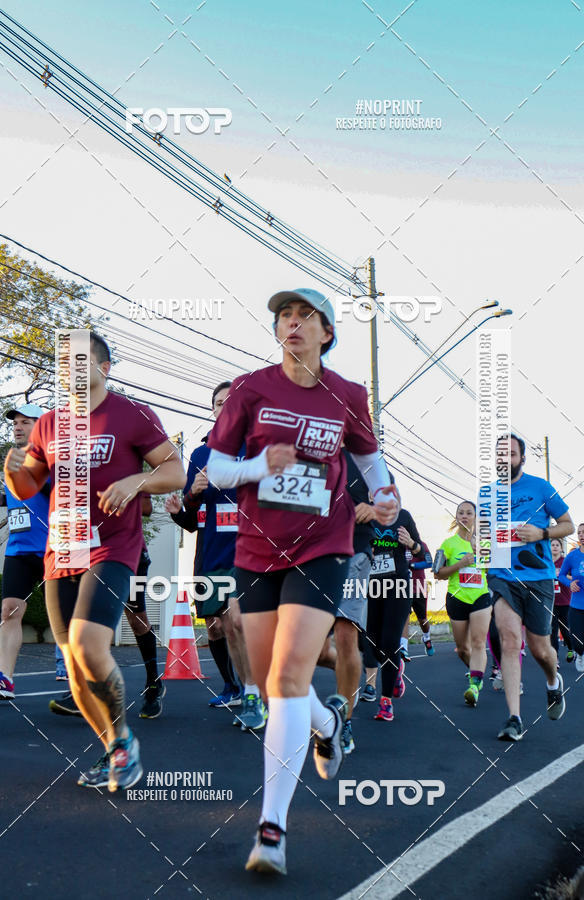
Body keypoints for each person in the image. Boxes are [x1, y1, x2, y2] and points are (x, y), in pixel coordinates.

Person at [206, 288, 398, 875]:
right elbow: (216, 467)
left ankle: (272, 829)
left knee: (289, 676)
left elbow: (368, 460)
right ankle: (328, 721)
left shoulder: (348, 395)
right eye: (283, 316)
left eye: (303, 316)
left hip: (324, 545)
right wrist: (257, 467)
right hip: (257, 548)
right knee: (272, 687)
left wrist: (387, 495)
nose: (290, 323)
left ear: (326, 332)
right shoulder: (249, 387)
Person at [4, 332, 186, 790]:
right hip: (60, 551)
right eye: (63, 360)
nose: (69, 367)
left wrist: (135, 483)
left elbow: (174, 470)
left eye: (79, 359)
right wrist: (14, 471)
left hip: (111, 546)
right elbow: (30, 486)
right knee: (73, 663)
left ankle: (124, 740)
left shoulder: (132, 414)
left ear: (104, 367)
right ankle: (117, 746)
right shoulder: (48, 423)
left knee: (88, 646)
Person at [166, 382, 265, 730]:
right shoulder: (200, 455)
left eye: (230, 402)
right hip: (210, 556)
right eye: (217, 403)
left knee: (237, 619)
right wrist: (185, 503)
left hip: (249, 552)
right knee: (216, 626)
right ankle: (233, 686)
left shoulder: (256, 448)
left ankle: (255, 692)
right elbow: (193, 522)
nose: (223, 408)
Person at [482, 434, 573, 742]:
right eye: (498, 454)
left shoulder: (541, 488)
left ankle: (552, 680)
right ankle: (514, 718)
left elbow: (568, 524)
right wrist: (480, 544)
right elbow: (481, 537)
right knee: (509, 640)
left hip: (538, 577)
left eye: (509, 454)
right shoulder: (487, 493)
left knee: (540, 649)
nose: (503, 459)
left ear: (521, 458)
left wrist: (541, 533)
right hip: (502, 576)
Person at [49, 495, 165, 719]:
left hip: (126, 552)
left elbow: (147, 507)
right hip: (87, 548)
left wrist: (116, 495)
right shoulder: (76, 470)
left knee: (136, 620)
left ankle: (153, 684)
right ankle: (85, 690)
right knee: (86, 618)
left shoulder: (124, 465)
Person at [0, 404, 51, 700]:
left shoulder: (53, 461)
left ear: (41, 426)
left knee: (68, 618)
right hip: (19, 549)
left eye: (25, 422)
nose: (18, 427)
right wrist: (2, 502)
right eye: (15, 424)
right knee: (9, 609)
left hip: (54, 550)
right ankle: (5, 680)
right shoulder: (12, 462)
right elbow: (20, 501)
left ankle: (84, 680)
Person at [332, 450, 378, 754]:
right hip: (309, 553)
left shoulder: (370, 461)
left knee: (345, 635)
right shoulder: (305, 448)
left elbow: (391, 506)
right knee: (302, 644)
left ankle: (344, 721)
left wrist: (373, 509)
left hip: (355, 551)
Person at [367, 505, 424, 722]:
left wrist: (411, 544)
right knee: (371, 644)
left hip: (398, 586)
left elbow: (421, 551)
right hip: (371, 586)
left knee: (390, 642)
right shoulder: (365, 515)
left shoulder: (403, 516)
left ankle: (386, 702)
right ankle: (397, 664)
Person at [434, 501, 492, 707]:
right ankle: (477, 673)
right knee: (462, 649)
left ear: (476, 518)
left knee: (478, 643)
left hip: (481, 598)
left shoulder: (486, 544)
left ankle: (474, 685)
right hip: (457, 597)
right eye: (461, 513)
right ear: (457, 517)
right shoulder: (448, 544)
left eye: (469, 513)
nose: (465, 516)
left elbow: (493, 573)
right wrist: (460, 564)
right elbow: (437, 573)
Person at [400, 539, 434, 660]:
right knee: (404, 616)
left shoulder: (421, 545)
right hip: (403, 588)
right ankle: (403, 648)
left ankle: (426, 637)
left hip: (419, 588)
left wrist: (412, 565)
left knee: (422, 620)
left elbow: (429, 563)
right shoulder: (398, 544)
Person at [558, 524, 584, 672]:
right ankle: (579, 654)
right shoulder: (573, 556)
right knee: (577, 641)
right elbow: (561, 575)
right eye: (579, 533)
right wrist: (570, 583)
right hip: (576, 605)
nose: (581, 535)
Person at [552, 536, 575, 665]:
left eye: (557, 545)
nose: (555, 547)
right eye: (553, 545)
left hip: (566, 601)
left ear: (561, 549)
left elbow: (574, 577)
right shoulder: (546, 562)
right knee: (553, 631)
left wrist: (561, 574)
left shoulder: (565, 562)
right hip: (551, 601)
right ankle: (554, 658)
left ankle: (571, 648)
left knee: (565, 630)